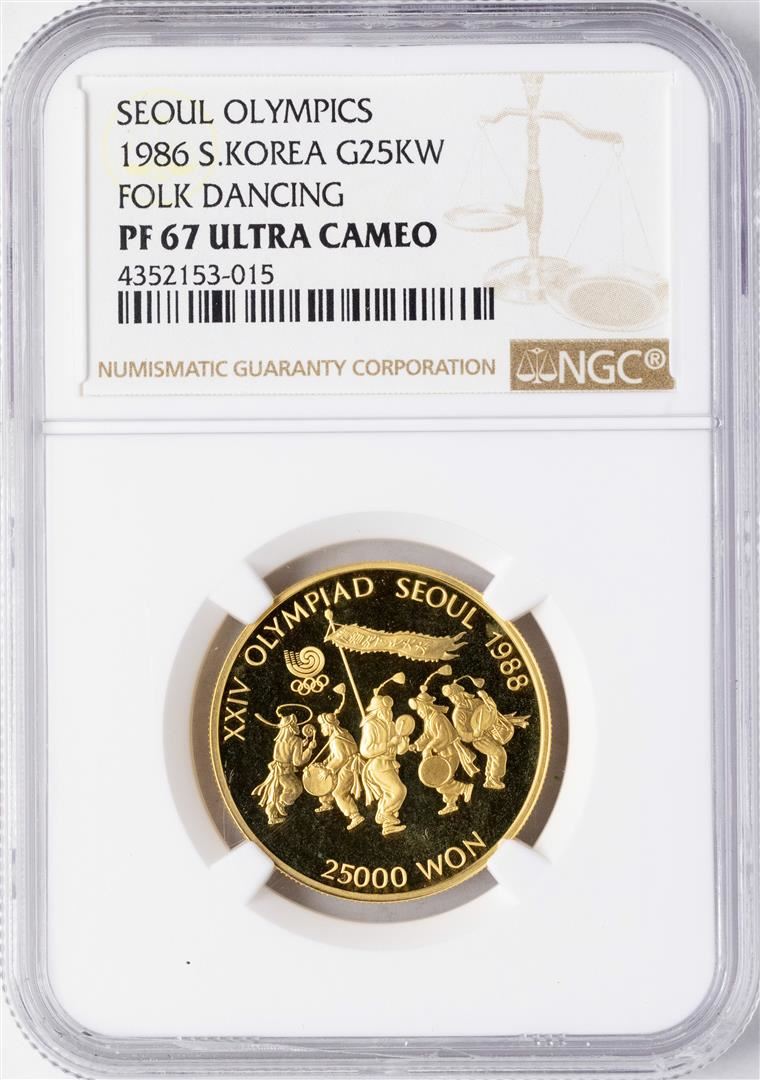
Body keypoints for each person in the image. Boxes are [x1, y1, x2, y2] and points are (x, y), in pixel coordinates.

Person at [442, 680, 528, 790]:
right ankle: (493, 779)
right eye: (452, 697)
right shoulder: (458, 714)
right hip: (479, 739)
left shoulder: (476, 702)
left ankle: (490, 779)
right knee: (499, 753)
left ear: (461, 693)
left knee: (493, 754)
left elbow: (491, 710)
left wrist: (486, 698)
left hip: (490, 732)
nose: (454, 699)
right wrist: (474, 734)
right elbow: (463, 735)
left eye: (455, 695)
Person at [408, 688, 475, 814]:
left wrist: (429, 748)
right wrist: (416, 745)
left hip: (450, 753)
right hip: (443, 754)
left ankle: (464, 788)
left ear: (426, 706)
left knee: (440, 782)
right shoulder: (429, 719)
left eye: (419, 708)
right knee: (444, 779)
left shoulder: (438, 718)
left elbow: (443, 737)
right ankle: (451, 804)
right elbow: (427, 735)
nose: (418, 711)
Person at [252, 708, 316, 825]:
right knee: (295, 789)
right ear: (291, 726)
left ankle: (271, 817)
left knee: (275, 792)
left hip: (276, 771)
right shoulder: (296, 740)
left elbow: (284, 754)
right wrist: (309, 750)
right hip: (286, 772)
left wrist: (301, 746)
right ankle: (281, 802)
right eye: (295, 724)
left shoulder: (279, 741)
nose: (297, 726)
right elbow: (297, 761)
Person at [359, 690, 408, 836]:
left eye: (388, 709)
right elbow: (366, 750)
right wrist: (388, 744)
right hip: (378, 765)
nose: (388, 712)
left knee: (392, 793)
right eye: (384, 709)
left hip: (390, 764)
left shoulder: (392, 725)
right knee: (398, 790)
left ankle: (387, 826)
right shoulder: (371, 725)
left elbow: (399, 751)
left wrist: (403, 741)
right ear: (377, 710)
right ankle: (385, 814)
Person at [315, 709, 364, 831]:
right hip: (346, 764)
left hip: (349, 766)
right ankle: (326, 802)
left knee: (339, 792)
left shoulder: (337, 739)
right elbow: (334, 755)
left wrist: (328, 769)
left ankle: (355, 816)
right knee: (330, 783)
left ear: (329, 726)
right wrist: (325, 763)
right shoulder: (338, 735)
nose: (322, 729)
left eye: (323, 726)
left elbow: (341, 757)